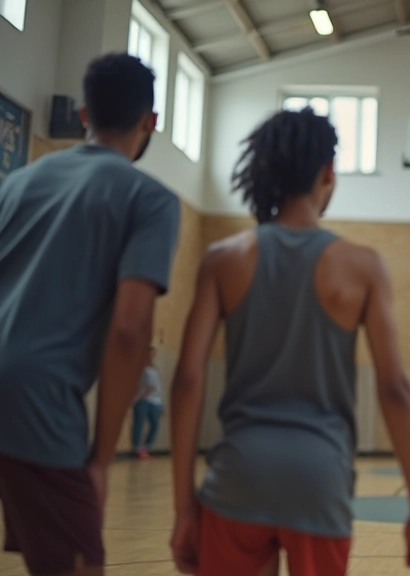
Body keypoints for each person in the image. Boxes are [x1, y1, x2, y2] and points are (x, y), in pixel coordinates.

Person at [168, 108, 410, 576]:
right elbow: (394, 388)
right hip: (320, 479)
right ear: (327, 173)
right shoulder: (363, 266)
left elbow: (189, 380)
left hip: (239, 474)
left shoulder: (222, 258)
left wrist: (183, 508)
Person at [0, 52, 179, 576]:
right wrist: (101, 458)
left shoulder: (16, 183)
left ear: (83, 114)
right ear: (152, 123)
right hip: (37, 397)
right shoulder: (148, 199)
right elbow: (128, 330)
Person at [131, 346, 165, 458]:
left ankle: (145, 446)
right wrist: (143, 391)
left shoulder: (154, 368)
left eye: (153, 354)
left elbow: (157, 387)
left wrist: (161, 404)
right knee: (139, 424)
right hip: (142, 400)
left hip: (155, 401)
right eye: (150, 353)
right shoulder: (139, 367)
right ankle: (137, 448)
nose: (152, 356)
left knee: (155, 424)